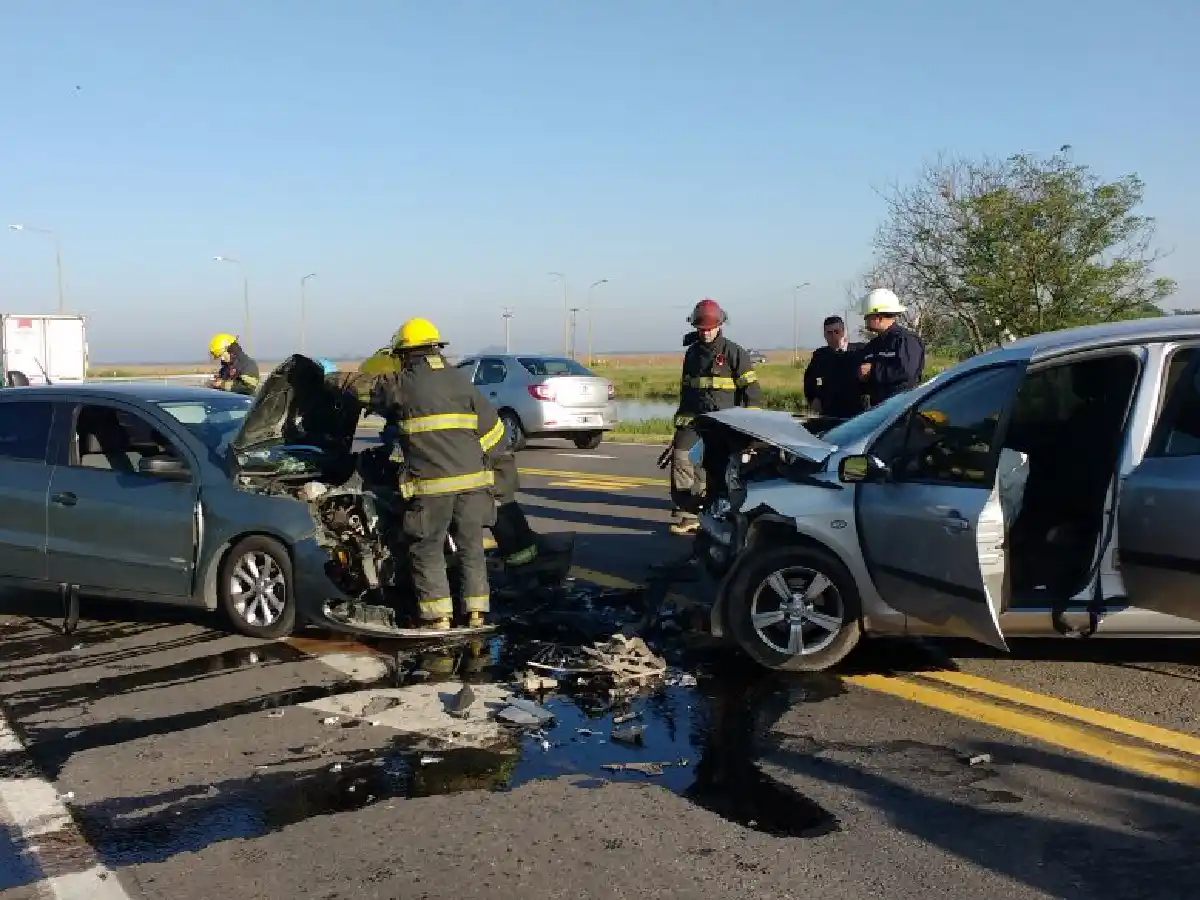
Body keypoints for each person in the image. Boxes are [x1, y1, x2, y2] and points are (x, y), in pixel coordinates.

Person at [360, 334, 572, 586]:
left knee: (496, 511)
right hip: (475, 463)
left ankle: (524, 570)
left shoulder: (412, 390)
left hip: (479, 468)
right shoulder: (432, 386)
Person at [370, 317, 502, 631]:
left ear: (405, 353)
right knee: (471, 547)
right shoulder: (461, 381)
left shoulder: (402, 383)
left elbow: (374, 398)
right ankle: (476, 613)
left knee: (427, 547)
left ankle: (438, 616)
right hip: (473, 484)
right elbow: (493, 431)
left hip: (431, 488)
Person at [668, 297, 762, 536]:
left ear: (720, 325)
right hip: (696, 421)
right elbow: (686, 392)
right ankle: (689, 513)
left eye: (710, 329)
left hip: (725, 425)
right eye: (702, 329)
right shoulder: (692, 354)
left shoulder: (734, 352)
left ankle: (722, 516)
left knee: (720, 472)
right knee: (681, 457)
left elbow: (751, 393)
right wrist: (680, 424)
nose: (706, 333)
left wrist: (751, 432)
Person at [857, 288, 925, 407]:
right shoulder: (873, 345)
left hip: (901, 411)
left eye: (867, 316)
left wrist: (872, 371)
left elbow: (905, 371)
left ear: (878, 317)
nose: (865, 320)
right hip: (879, 411)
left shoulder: (906, 340)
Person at [802, 315, 865, 419]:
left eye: (837, 332)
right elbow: (809, 379)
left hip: (858, 411)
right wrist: (813, 399)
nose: (834, 336)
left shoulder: (860, 351)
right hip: (830, 411)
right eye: (829, 333)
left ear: (844, 332)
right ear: (824, 335)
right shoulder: (820, 355)